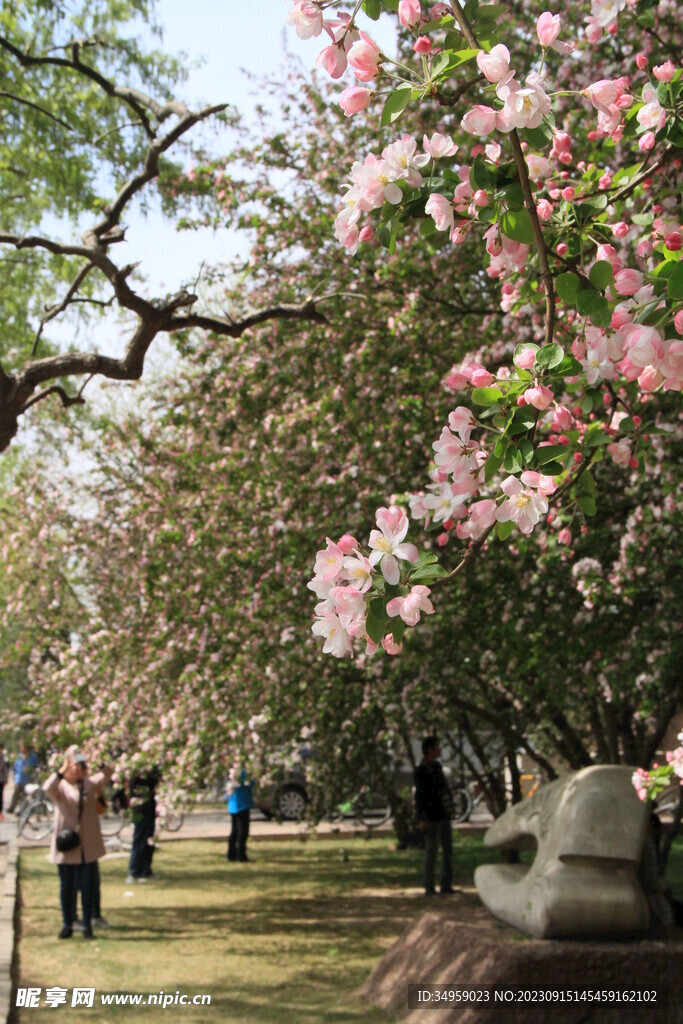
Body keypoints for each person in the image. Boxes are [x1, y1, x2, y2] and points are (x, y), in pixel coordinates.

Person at [43, 747, 112, 939]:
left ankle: (88, 924)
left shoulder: (89, 784)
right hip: (67, 844)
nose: (75, 771)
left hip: (86, 845)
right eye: (71, 767)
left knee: (87, 886)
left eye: (78, 767)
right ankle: (68, 923)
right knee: (67, 886)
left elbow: (107, 773)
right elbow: (47, 787)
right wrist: (61, 770)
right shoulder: (60, 788)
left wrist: (95, 759)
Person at [414, 735, 454, 897]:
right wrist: (422, 818)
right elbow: (420, 797)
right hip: (431, 817)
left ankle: (446, 884)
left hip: (442, 814)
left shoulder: (437, 767)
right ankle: (429, 886)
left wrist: (450, 807)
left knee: (447, 850)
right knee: (432, 851)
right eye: (437, 747)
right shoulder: (421, 771)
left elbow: (445, 789)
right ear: (430, 750)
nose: (440, 750)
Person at [126, 766, 160, 883]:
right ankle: (134, 872)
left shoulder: (151, 771)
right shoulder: (136, 771)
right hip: (140, 810)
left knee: (149, 841)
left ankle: (146, 870)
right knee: (139, 840)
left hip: (149, 808)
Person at [226, 768, 254, 863]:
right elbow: (250, 783)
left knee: (234, 831)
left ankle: (231, 854)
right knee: (243, 831)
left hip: (233, 805)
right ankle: (241, 855)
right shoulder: (243, 772)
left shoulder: (232, 771)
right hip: (242, 804)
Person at [7, 738, 39, 814]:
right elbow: (15, 767)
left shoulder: (33, 756)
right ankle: (12, 808)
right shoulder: (19, 756)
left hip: (28, 779)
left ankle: (22, 811)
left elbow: (35, 767)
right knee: (16, 793)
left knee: (25, 796)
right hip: (18, 779)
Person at [0, 742, 8, 820]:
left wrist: (6, 779)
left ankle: (0, 812)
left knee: (0, 797)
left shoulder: (3, 757)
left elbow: (5, 769)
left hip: (1, 780)